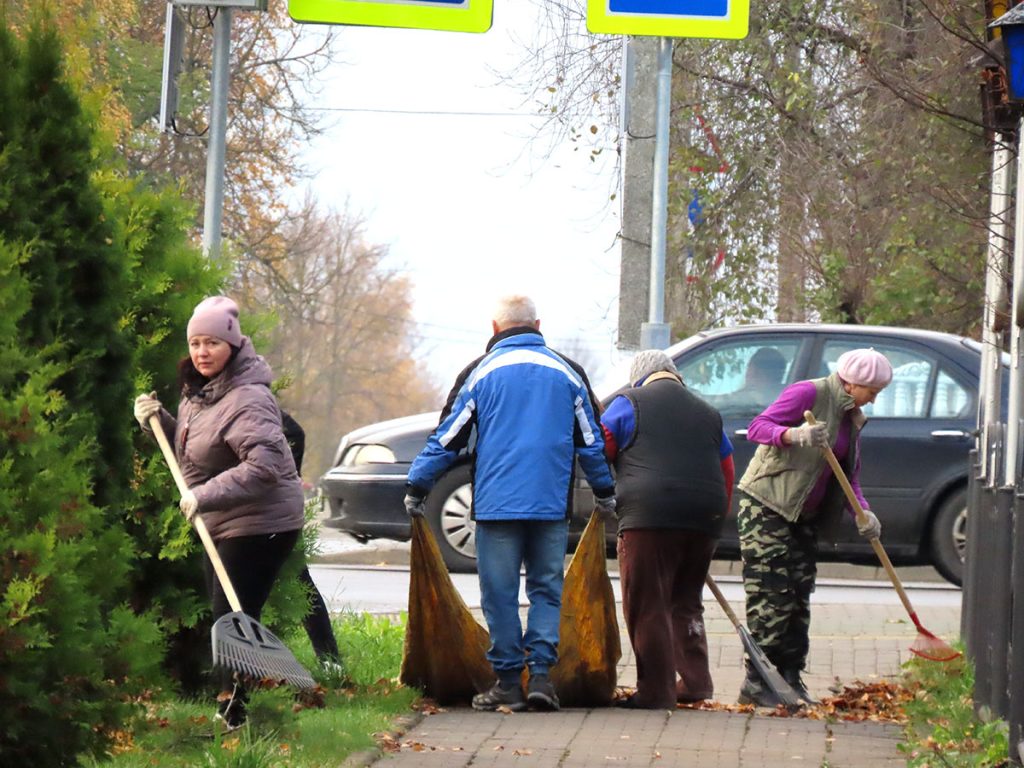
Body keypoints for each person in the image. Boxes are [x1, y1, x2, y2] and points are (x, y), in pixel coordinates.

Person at [403, 294, 616, 713]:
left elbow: (450, 438)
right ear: (538, 326)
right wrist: (605, 491)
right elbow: (591, 440)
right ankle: (540, 678)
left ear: (495, 328)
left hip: (496, 506)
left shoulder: (481, 373)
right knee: (546, 590)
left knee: (499, 593)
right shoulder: (568, 373)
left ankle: (506, 684)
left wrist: (418, 483)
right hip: (550, 505)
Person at [133, 296, 305, 730]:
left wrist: (204, 496)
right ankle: (237, 705)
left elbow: (264, 468)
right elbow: (198, 452)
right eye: (195, 343)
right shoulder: (200, 391)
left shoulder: (249, 398)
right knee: (228, 613)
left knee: (232, 616)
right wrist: (159, 422)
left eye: (212, 342)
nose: (202, 352)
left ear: (232, 344)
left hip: (262, 521)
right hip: (224, 518)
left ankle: (236, 711)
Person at [735, 347, 892, 706]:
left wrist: (863, 514)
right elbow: (758, 427)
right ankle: (758, 681)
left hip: (805, 515)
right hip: (768, 505)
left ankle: (790, 676)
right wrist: (795, 436)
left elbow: (848, 477)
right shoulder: (809, 392)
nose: (875, 399)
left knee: (799, 597)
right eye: (874, 391)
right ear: (852, 384)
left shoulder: (852, 416)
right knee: (772, 595)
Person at [600, 350, 735, 709]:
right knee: (686, 601)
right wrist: (713, 519)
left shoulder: (629, 402)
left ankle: (656, 693)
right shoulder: (709, 413)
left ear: (639, 378)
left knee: (648, 603)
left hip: (649, 516)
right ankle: (695, 681)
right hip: (705, 517)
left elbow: (602, 447)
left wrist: (609, 494)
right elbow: (727, 470)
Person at [280, 410, 342, 668]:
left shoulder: (248, 392)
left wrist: (281, 477)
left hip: (272, 510)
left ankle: (330, 661)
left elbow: (294, 433)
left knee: (298, 579)